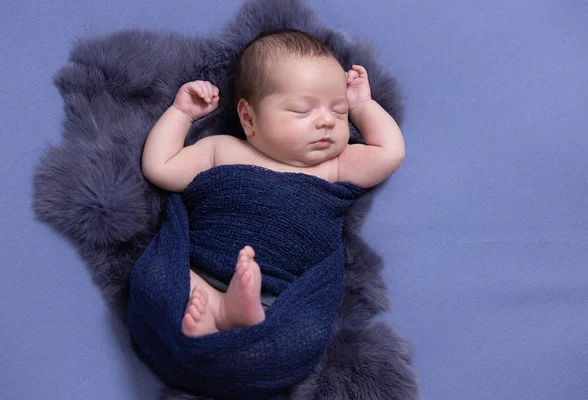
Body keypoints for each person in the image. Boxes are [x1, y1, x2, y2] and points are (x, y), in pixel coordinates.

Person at [140, 30, 405, 337]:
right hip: (203, 269)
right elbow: (160, 167)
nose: (327, 121)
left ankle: (233, 313)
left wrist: (361, 105)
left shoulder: (334, 165)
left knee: (295, 330)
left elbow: (389, 152)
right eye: (303, 110)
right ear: (248, 118)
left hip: (277, 292)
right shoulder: (221, 149)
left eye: (339, 111)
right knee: (158, 277)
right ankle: (221, 310)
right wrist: (181, 113)